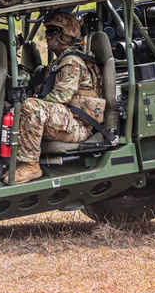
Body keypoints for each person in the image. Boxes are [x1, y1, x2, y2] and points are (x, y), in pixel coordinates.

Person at [6, 12, 105, 185]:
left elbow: (60, 97)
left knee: (31, 107)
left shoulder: (72, 61)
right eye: (47, 32)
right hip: (65, 120)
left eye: (52, 31)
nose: (47, 36)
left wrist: (25, 106)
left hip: (78, 125)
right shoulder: (59, 62)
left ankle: (30, 165)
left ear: (66, 34)